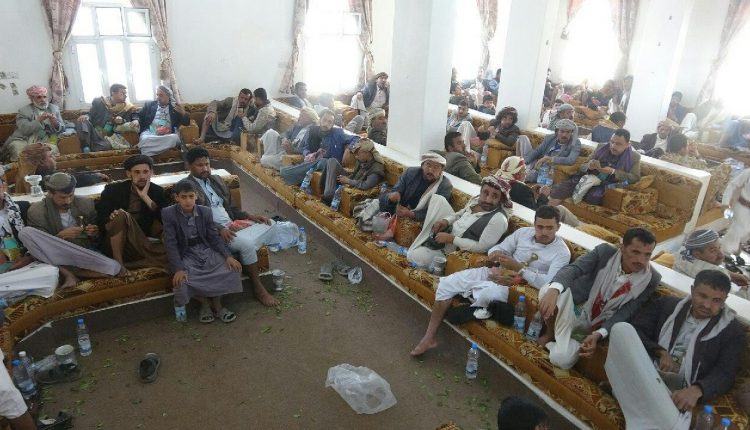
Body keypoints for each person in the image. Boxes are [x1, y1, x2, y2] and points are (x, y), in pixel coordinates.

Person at [410, 206, 569, 356]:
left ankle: (473, 301)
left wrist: (520, 270)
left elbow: (548, 283)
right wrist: (496, 255)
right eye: (540, 227)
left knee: (488, 294)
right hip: (496, 273)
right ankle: (429, 337)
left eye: (549, 228)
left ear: (558, 227)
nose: (544, 232)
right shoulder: (523, 233)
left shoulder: (562, 252)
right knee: (447, 283)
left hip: (515, 285)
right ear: (534, 224)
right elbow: (498, 248)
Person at [605, 270, 745, 429]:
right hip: (647, 369)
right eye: (702, 296)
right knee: (621, 329)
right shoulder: (667, 305)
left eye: (716, 300)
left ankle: (627, 393)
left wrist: (697, 390)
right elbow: (637, 330)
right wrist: (660, 352)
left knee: (670, 422)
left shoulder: (731, 330)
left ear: (725, 300)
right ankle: (650, 405)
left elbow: (725, 373)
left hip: (677, 389)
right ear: (692, 290)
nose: (707, 305)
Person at [537, 227, 659, 369]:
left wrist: (599, 334)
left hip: (592, 326)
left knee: (562, 360)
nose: (641, 260)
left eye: (647, 255)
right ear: (622, 248)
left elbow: (627, 312)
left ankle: (557, 342)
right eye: (636, 252)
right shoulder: (605, 252)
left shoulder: (651, 279)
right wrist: (554, 290)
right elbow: (574, 269)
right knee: (548, 290)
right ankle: (550, 333)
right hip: (573, 307)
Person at [184, 147, 280, 307]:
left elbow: (233, 209)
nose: (205, 168)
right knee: (247, 245)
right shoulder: (186, 187)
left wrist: (250, 217)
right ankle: (258, 288)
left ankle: (241, 246)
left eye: (207, 164)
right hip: (213, 233)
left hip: (232, 226)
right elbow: (193, 218)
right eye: (200, 165)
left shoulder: (217, 180)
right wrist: (220, 228)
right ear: (189, 166)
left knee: (271, 223)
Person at [162, 179, 243, 324]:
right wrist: (178, 269)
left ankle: (217, 304)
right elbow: (171, 243)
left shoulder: (205, 211)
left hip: (205, 249)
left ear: (196, 196)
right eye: (183, 197)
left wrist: (228, 256)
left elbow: (214, 238)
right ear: (176, 197)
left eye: (191, 196)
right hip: (186, 253)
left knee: (232, 269)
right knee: (182, 280)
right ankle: (205, 304)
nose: (188, 201)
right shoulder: (168, 213)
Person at [22, 173, 124, 287]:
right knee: (26, 233)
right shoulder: (37, 211)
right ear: (50, 193)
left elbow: (98, 239)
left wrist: (94, 233)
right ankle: (68, 274)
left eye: (71, 195)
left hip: (82, 253)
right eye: (62, 197)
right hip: (55, 255)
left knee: (113, 267)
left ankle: (74, 273)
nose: (68, 201)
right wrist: (60, 237)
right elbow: (41, 246)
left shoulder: (85, 204)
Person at [406, 175, 512, 268]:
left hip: (452, 252)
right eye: (485, 193)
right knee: (438, 199)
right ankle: (424, 242)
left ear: (501, 200)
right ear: (480, 191)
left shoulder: (498, 219)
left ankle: (425, 251)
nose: (488, 199)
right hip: (445, 235)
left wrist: (452, 239)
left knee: (413, 255)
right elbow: (460, 214)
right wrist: (445, 221)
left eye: (495, 196)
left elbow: (481, 247)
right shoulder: (476, 200)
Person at [96, 155, 168, 269]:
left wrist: (145, 197)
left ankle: (130, 265)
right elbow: (100, 219)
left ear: (151, 172)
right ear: (129, 174)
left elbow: (166, 219)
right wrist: (112, 218)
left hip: (141, 241)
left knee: (173, 251)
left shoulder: (157, 191)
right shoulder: (113, 190)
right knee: (120, 215)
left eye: (145, 172)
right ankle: (119, 265)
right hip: (118, 242)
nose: (142, 176)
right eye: (137, 172)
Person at [549, 129, 640, 206]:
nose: (613, 146)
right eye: (612, 142)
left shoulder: (634, 157)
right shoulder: (601, 147)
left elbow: (635, 178)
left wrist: (613, 172)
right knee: (559, 189)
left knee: (593, 197)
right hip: (587, 177)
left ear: (627, 144)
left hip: (606, 184)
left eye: (618, 144)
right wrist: (588, 166)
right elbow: (582, 166)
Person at [279, 109, 359, 186]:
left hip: (331, 165)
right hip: (314, 161)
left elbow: (356, 138)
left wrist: (349, 149)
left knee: (322, 162)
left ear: (332, 125)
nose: (326, 124)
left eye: (329, 122)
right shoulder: (312, 131)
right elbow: (306, 148)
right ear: (320, 120)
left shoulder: (338, 133)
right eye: (324, 120)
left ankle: (288, 173)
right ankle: (295, 178)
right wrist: (308, 154)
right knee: (316, 162)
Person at [376, 152, 453, 223]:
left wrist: (411, 214)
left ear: (441, 170)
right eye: (428, 165)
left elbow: (435, 212)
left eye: (436, 167)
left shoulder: (445, 186)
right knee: (383, 201)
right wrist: (395, 195)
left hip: (419, 219)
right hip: (400, 207)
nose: (431, 170)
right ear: (422, 165)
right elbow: (397, 189)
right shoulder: (411, 172)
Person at [14, 143, 108, 194]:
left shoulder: (30, 176)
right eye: (51, 156)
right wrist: (97, 176)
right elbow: (74, 180)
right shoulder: (44, 178)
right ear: (41, 162)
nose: (54, 158)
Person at [2, 85, 64, 162]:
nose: (43, 100)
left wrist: (55, 122)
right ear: (32, 99)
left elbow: (62, 128)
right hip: (24, 139)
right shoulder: (23, 111)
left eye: (44, 97)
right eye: (39, 97)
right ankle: (22, 169)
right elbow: (25, 129)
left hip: (45, 139)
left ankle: (46, 168)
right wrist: (39, 120)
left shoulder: (54, 108)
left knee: (52, 149)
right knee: (17, 148)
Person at [673, 229, 749, 290]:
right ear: (697, 254)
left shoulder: (684, 252)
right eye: (713, 251)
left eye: (719, 247)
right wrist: (745, 290)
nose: (721, 255)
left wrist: (732, 275)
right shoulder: (716, 278)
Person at [75, 83, 139, 152]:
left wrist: (122, 121)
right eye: (122, 93)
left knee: (107, 145)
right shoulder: (99, 101)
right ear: (113, 93)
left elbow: (132, 118)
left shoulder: (127, 107)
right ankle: (86, 147)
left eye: (126, 93)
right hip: (94, 132)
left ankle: (91, 147)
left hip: (106, 137)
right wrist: (86, 116)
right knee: (82, 121)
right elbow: (91, 115)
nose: (125, 95)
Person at [320, 138, 384, 204]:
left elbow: (365, 185)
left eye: (358, 154)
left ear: (367, 153)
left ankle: (328, 196)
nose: (356, 157)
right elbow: (354, 174)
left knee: (332, 174)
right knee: (331, 161)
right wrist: (346, 178)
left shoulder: (377, 168)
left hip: (355, 186)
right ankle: (325, 192)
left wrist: (348, 181)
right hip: (352, 179)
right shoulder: (362, 160)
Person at [524, 119, 582, 183]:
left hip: (550, 169)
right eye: (562, 131)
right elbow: (537, 151)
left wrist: (551, 159)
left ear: (571, 133)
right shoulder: (549, 138)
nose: (564, 135)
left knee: (528, 176)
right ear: (557, 131)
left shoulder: (575, 143)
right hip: (538, 162)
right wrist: (525, 161)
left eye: (568, 132)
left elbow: (571, 160)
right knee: (522, 140)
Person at [137, 85, 190, 157]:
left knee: (174, 138)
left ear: (168, 96)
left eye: (161, 95)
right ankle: (150, 148)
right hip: (150, 133)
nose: (158, 97)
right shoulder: (149, 105)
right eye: (157, 95)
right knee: (144, 139)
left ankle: (146, 150)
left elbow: (186, 123)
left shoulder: (175, 108)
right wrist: (136, 120)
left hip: (167, 135)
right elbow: (138, 115)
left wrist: (183, 113)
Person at [720, 166, 750, 257]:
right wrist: (725, 203)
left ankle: (734, 246)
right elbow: (732, 185)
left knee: (745, 234)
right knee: (738, 230)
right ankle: (723, 252)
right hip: (743, 208)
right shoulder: (748, 172)